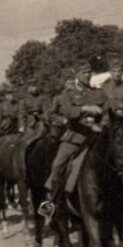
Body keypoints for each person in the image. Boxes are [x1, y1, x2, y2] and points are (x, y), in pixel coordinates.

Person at [38, 71, 104, 221]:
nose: (87, 76)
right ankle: (50, 204)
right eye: (84, 73)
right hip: (76, 138)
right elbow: (67, 111)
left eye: (89, 73)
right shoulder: (67, 94)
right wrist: (83, 109)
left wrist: (101, 122)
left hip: (96, 137)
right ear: (78, 76)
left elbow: (106, 109)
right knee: (57, 166)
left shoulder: (96, 93)